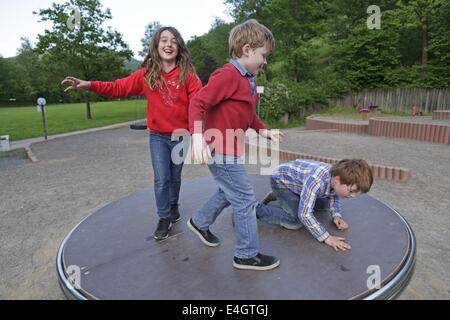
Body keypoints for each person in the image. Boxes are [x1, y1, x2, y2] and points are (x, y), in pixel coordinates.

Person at [61, 26, 202, 240]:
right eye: (163, 40)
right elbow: (118, 87)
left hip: (180, 136)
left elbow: (197, 105)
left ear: (179, 46)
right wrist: (88, 85)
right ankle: (164, 217)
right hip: (158, 137)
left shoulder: (188, 75)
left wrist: (198, 134)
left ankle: (173, 205)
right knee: (162, 178)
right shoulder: (147, 75)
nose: (168, 44)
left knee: (175, 178)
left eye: (173, 40)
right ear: (156, 46)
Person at [187, 19, 287, 271]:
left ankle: (200, 222)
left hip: (230, 149)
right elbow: (197, 103)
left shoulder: (248, 79)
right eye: (263, 55)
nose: (265, 61)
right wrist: (197, 136)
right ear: (247, 49)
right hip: (220, 149)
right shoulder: (227, 75)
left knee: (228, 191)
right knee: (244, 199)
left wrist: (265, 131)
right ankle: (245, 254)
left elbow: (249, 114)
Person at [259, 159, 373, 252]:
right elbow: (304, 214)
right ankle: (256, 209)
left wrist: (336, 215)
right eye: (351, 191)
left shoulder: (337, 178)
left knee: (323, 206)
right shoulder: (316, 181)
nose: (353, 196)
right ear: (338, 180)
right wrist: (326, 237)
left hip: (298, 184)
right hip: (280, 182)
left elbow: (334, 194)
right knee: (295, 221)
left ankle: (284, 197)